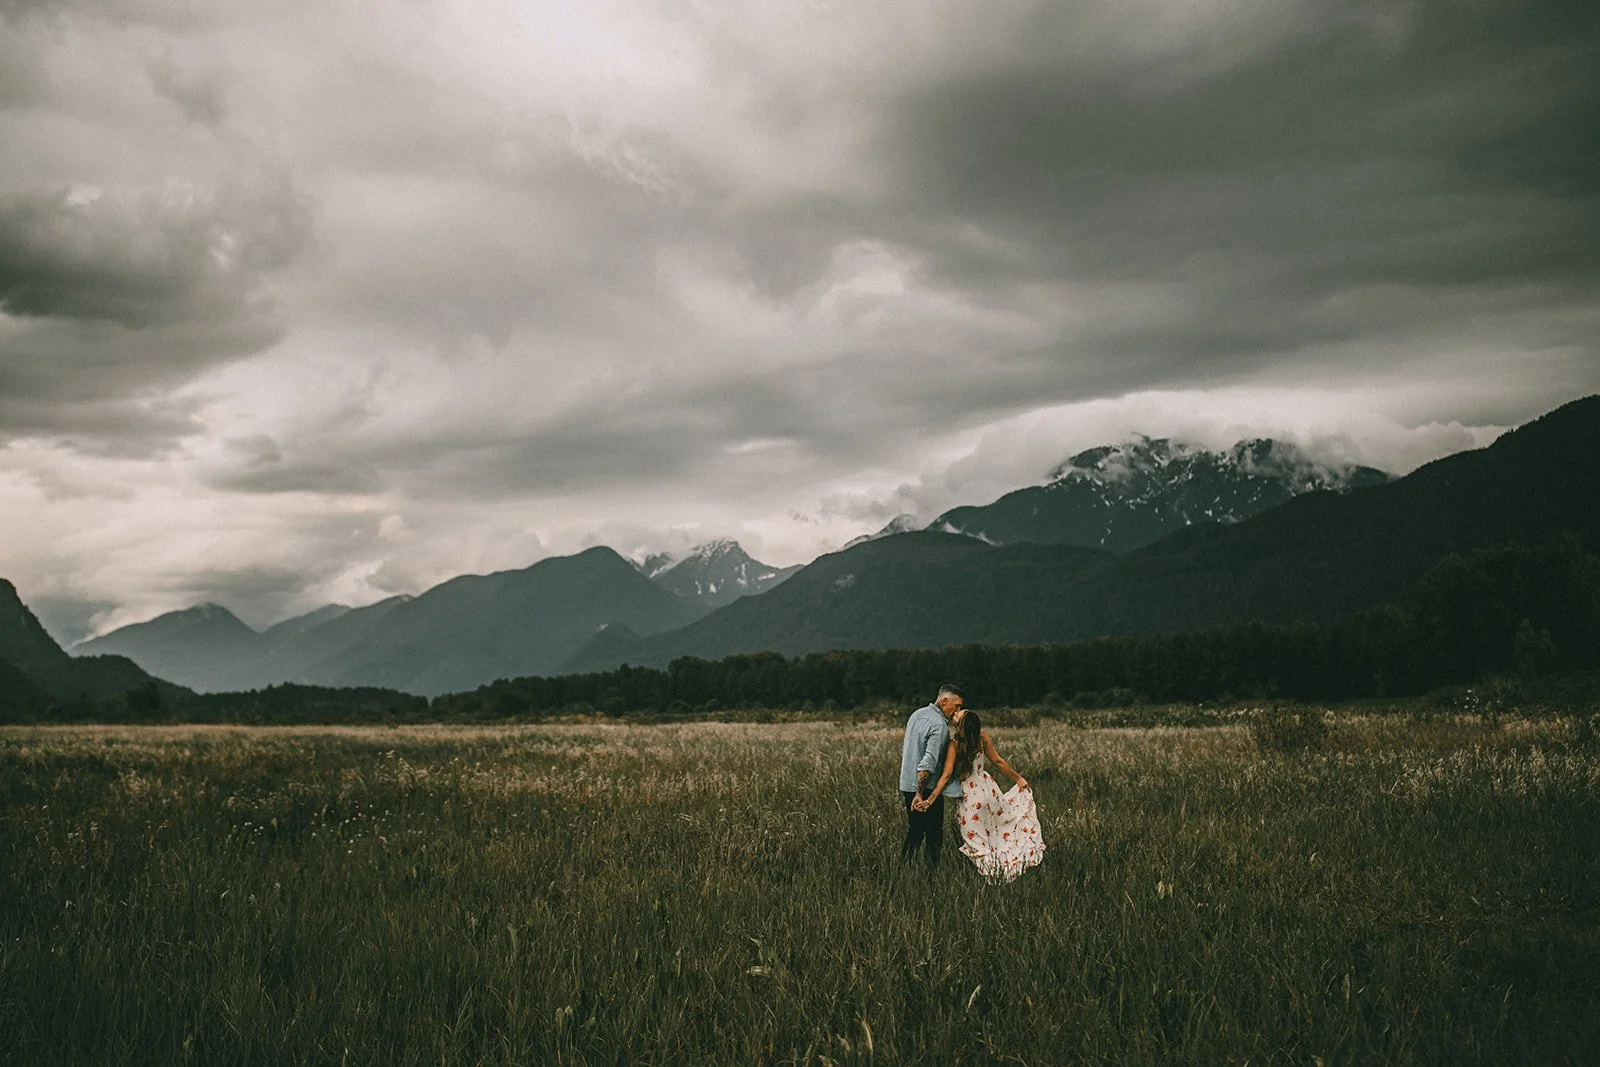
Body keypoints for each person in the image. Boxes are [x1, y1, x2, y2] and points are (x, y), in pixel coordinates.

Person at [922, 707, 1044, 881]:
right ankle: (1004, 861)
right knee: (994, 830)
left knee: (977, 840)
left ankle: (993, 873)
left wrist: (930, 799)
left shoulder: (954, 744)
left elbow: (946, 775)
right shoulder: (982, 736)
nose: (954, 713)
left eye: (958, 714)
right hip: (988, 789)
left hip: (970, 797)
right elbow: (998, 761)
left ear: (960, 725)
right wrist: (1018, 779)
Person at [898, 685, 965, 866]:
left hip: (906, 783)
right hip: (924, 787)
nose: (957, 711)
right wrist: (920, 794)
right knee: (935, 834)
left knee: (916, 830)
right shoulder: (939, 727)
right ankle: (930, 876)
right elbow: (926, 765)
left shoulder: (916, 714)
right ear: (944, 701)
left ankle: (903, 868)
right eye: (956, 705)